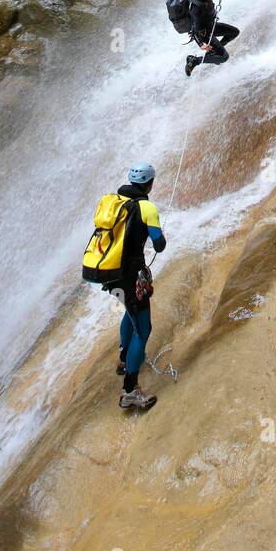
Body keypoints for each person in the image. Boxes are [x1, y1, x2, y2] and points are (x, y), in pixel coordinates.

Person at [116, 162, 167, 411]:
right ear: (150, 183)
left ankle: (124, 357)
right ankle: (129, 390)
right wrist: (158, 233)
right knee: (143, 329)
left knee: (130, 310)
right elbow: (159, 244)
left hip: (109, 273)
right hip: (129, 274)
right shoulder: (147, 207)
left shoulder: (114, 201)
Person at [185, 0, 237, 77]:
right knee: (224, 57)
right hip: (204, 34)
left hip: (211, 26)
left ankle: (213, 52)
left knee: (234, 32)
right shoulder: (197, 8)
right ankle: (194, 61)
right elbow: (195, 29)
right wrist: (201, 44)